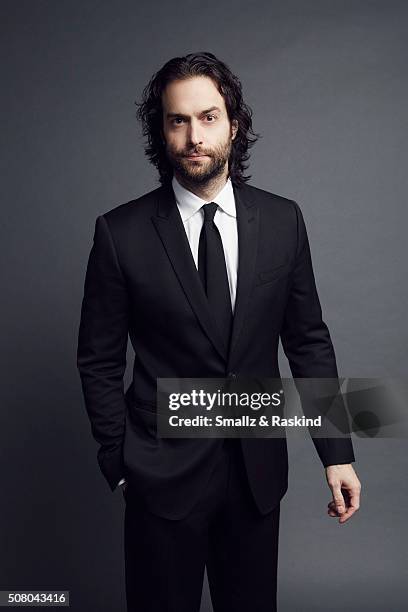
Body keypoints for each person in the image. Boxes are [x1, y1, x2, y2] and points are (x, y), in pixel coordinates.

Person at [77, 51, 361, 612]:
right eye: (177, 120)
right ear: (161, 131)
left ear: (235, 123)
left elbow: (308, 340)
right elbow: (99, 359)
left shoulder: (284, 221)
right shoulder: (121, 233)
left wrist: (337, 454)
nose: (193, 137)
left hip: (255, 478)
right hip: (159, 477)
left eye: (208, 118)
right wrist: (120, 462)